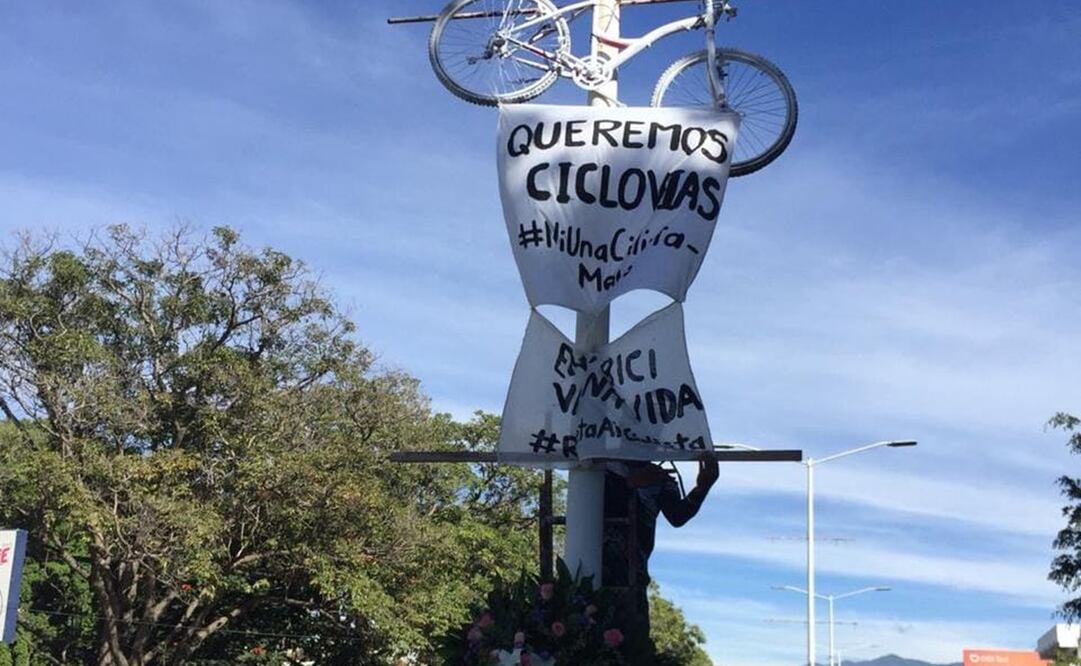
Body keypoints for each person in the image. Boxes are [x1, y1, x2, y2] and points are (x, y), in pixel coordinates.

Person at [601, 454, 720, 646]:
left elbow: (677, 516)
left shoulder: (659, 478)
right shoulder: (598, 468)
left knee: (632, 645)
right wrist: (630, 484)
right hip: (592, 566)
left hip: (634, 575)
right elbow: (593, 503)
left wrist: (702, 488)